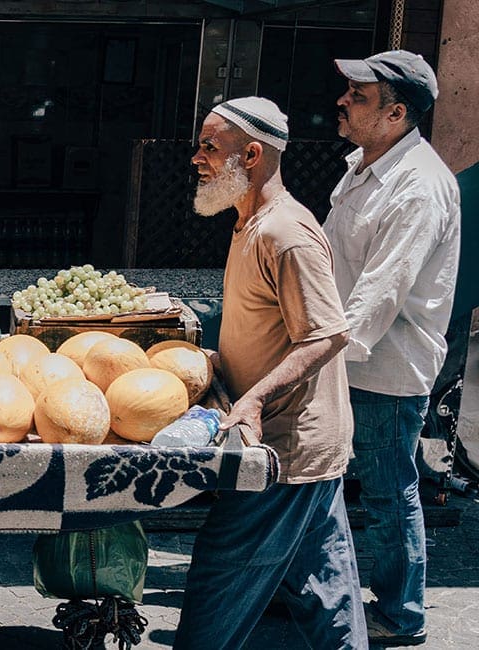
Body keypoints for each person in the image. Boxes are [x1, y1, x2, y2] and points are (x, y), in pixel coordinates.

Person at [175, 96, 365, 649]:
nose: (197, 158)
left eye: (210, 146)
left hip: (282, 448)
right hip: (302, 446)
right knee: (324, 592)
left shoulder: (285, 233)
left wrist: (252, 399)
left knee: (219, 582)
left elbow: (329, 334)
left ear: (252, 155)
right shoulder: (250, 223)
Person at [324, 50, 461, 647]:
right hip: (342, 357)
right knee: (329, 484)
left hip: (383, 368)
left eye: (359, 95)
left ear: (395, 113)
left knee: (385, 493)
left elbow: (379, 293)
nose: (343, 100)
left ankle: (400, 616)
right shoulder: (362, 165)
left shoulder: (420, 187)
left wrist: (316, 358)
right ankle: (322, 590)